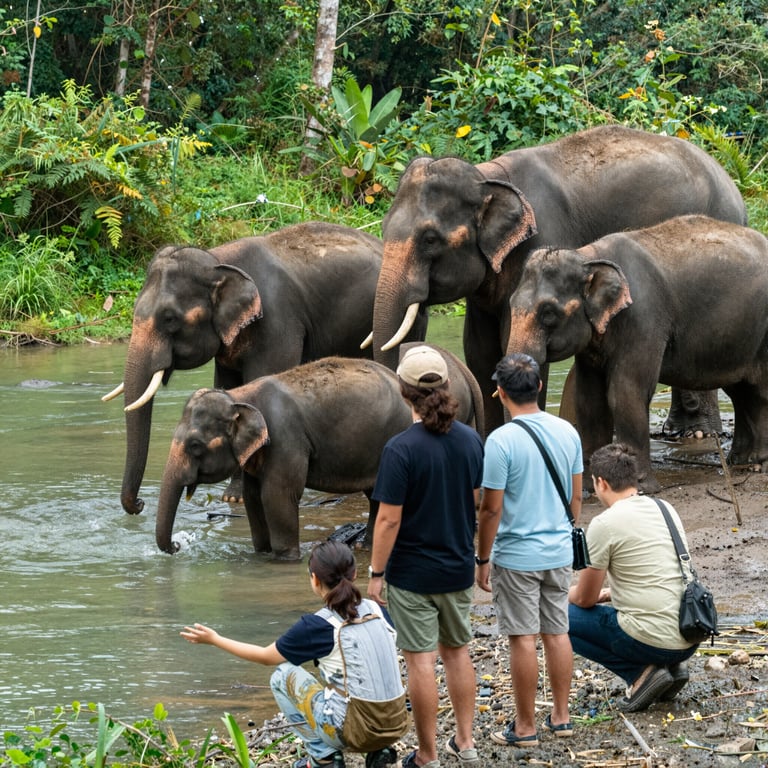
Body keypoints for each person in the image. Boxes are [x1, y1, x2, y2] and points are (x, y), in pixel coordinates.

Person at [181, 540, 404, 768]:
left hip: (354, 731)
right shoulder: (378, 610)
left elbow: (265, 656)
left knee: (282, 675)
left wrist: (215, 640)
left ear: (315, 580)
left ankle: (323, 758)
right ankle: (379, 748)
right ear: (355, 573)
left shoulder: (319, 624)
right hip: (396, 723)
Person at [367, 345, 484, 768]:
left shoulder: (400, 449)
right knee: (458, 652)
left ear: (403, 393)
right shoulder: (471, 441)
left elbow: (387, 522)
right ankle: (466, 742)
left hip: (412, 572)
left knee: (420, 659)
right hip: (457, 566)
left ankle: (428, 753)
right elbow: (477, 501)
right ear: (448, 386)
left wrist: (376, 573)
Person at [476, 352, 582, 747]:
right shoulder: (567, 431)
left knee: (522, 637)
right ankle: (562, 716)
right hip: (558, 551)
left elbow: (491, 509)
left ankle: (524, 727)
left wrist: (482, 559)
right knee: (557, 632)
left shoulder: (501, 441)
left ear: (500, 393)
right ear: (539, 387)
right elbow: (575, 498)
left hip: (516, 555)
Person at [568, 442, 699, 711]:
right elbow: (656, 574)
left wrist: (557, 593)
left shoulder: (605, 523)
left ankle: (639, 674)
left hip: (651, 640)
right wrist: (611, 593)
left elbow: (584, 599)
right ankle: (672, 667)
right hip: (690, 635)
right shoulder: (665, 507)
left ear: (601, 483)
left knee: (557, 615)